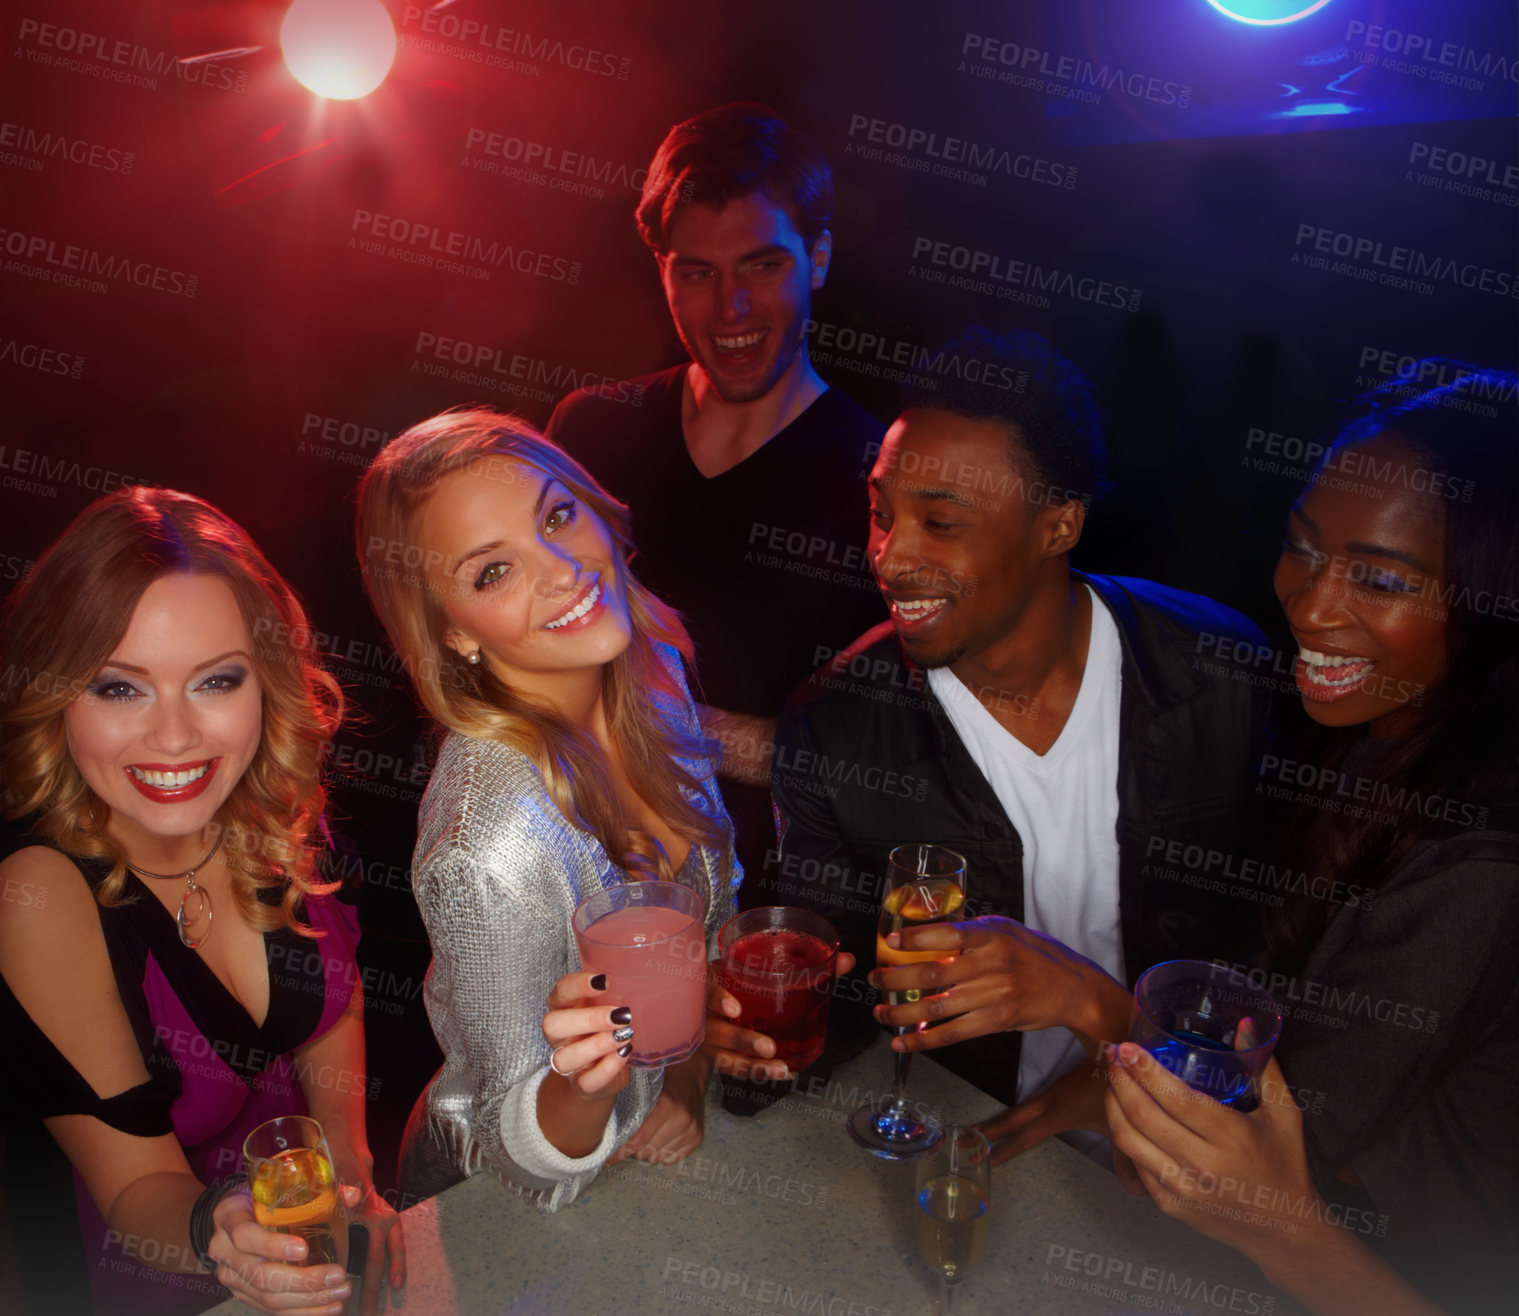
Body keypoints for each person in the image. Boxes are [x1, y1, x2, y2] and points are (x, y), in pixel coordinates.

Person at [770, 327, 1276, 1112]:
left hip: (1189, 1146)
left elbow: (1279, 972)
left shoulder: (1223, 673)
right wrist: (755, 1042)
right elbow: (838, 990)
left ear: (1057, 526)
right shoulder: (831, 726)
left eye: (940, 523)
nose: (888, 555)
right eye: (879, 512)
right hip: (978, 1136)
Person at [1101, 370, 1519, 1314]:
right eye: (1301, 545)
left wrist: (1080, 998)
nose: (1310, 604)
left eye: (1379, 578)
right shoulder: (1356, 742)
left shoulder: (1481, 871)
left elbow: (1237, 1154)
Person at [354, 409, 828, 1211]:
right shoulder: (487, 841)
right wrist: (587, 1085)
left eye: (556, 517)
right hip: (487, 1215)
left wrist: (689, 1063)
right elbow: (514, 1150)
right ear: (452, 635)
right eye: (491, 572)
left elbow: (711, 924)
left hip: (653, 1181)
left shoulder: (652, 680)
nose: (562, 569)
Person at [0, 487, 404, 1316]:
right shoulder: (38, 896)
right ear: (57, 695)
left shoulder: (272, 802)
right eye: (120, 689)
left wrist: (352, 1171)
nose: (178, 739)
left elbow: (332, 999)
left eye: (216, 681)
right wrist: (221, 1231)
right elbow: (137, 1183)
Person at [544, 101, 887, 900]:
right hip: (582, 889)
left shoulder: (882, 476)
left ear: (820, 258)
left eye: (763, 266)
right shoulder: (590, 429)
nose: (729, 308)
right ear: (661, 270)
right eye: (696, 272)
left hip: (776, 927)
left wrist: (669, 732)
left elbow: (891, 765)